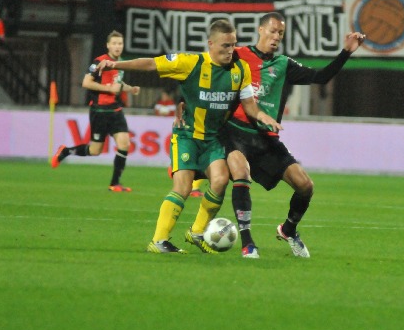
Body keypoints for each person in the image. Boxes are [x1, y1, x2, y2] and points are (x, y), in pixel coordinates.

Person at [96, 19, 282, 254]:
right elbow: (151, 64)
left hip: (214, 139)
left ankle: (196, 231)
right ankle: (159, 240)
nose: (230, 51)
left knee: (221, 180)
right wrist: (114, 65)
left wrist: (262, 116)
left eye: (233, 45)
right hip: (187, 135)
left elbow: (249, 106)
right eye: (225, 45)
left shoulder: (240, 70)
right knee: (183, 187)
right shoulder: (190, 63)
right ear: (210, 44)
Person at [219, 12, 365, 259]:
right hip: (235, 132)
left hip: (266, 140)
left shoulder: (284, 65)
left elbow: (322, 77)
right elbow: (209, 73)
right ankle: (247, 243)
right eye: (273, 31)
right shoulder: (238, 55)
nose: (276, 37)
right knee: (240, 174)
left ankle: (288, 229)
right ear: (260, 30)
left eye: (281, 34)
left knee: (305, 185)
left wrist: (346, 52)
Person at [51, 31, 139, 192]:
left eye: (120, 43)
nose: (117, 46)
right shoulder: (99, 61)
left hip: (115, 110)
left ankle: (115, 183)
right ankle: (66, 151)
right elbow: (86, 82)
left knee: (124, 144)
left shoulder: (121, 63)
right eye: (114, 43)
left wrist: (130, 89)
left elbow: (117, 83)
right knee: (94, 151)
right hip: (99, 111)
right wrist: (107, 88)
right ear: (108, 45)